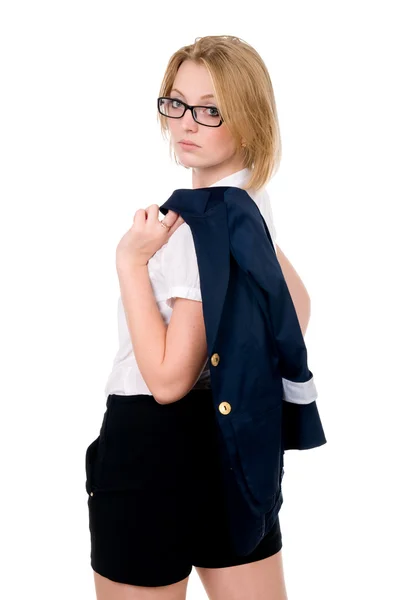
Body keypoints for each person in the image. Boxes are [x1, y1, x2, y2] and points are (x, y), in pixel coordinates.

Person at [85, 34, 310, 599]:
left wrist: (129, 260)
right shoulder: (249, 212)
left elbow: (167, 380)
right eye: (176, 103)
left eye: (211, 109)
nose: (186, 122)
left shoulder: (191, 231)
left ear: (250, 119)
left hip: (151, 449)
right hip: (235, 443)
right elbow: (298, 311)